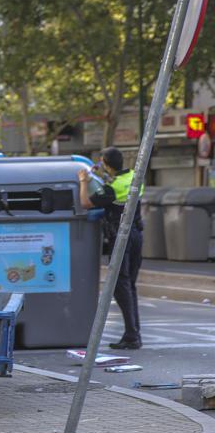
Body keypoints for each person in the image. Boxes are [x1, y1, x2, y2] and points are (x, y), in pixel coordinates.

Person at [78, 146, 144, 350]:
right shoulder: (134, 176)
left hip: (121, 237)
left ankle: (132, 336)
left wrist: (83, 181)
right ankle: (133, 334)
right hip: (137, 235)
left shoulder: (111, 188)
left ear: (106, 164)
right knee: (129, 285)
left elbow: (85, 203)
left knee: (119, 285)